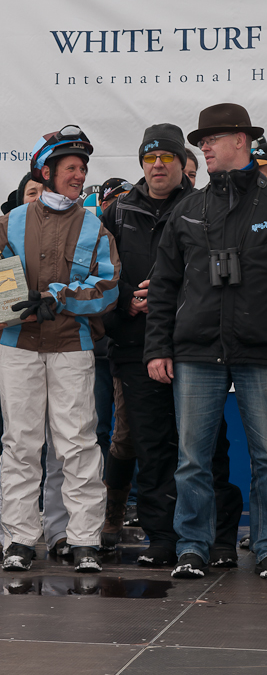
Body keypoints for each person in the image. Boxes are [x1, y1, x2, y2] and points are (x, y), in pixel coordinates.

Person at [0, 125, 120, 573]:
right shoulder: (10, 222)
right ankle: (18, 538)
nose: (79, 176)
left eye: (83, 169)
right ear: (47, 170)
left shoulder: (96, 225)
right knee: (20, 443)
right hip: (18, 346)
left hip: (73, 345)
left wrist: (60, 296)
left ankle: (82, 538)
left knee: (76, 443)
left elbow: (109, 288)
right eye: (71, 168)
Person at [101, 123, 242, 567]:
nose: (158, 165)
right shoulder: (118, 212)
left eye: (167, 158)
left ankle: (218, 539)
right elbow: (98, 271)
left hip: (195, 347)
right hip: (133, 346)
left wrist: (168, 298)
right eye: (149, 158)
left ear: (184, 164)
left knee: (205, 446)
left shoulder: (205, 206)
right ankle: (162, 538)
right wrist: (128, 300)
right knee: (152, 445)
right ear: (141, 164)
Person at [144, 103, 267, 579]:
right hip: (196, 352)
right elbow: (163, 286)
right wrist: (158, 347)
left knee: (265, 456)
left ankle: (264, 545)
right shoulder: (188, 209)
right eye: (201, 142)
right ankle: (192, 546)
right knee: (192, 458)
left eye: (211, 139)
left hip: (259, 351)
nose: (204, 148)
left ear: (242, 140)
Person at [0, 171, 44, 535]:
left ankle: (41, 512)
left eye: (41, 192)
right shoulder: (2, 240)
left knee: (44, 438)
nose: (36, 198)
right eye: (30, 193)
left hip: (54, 351)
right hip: (8, 349)